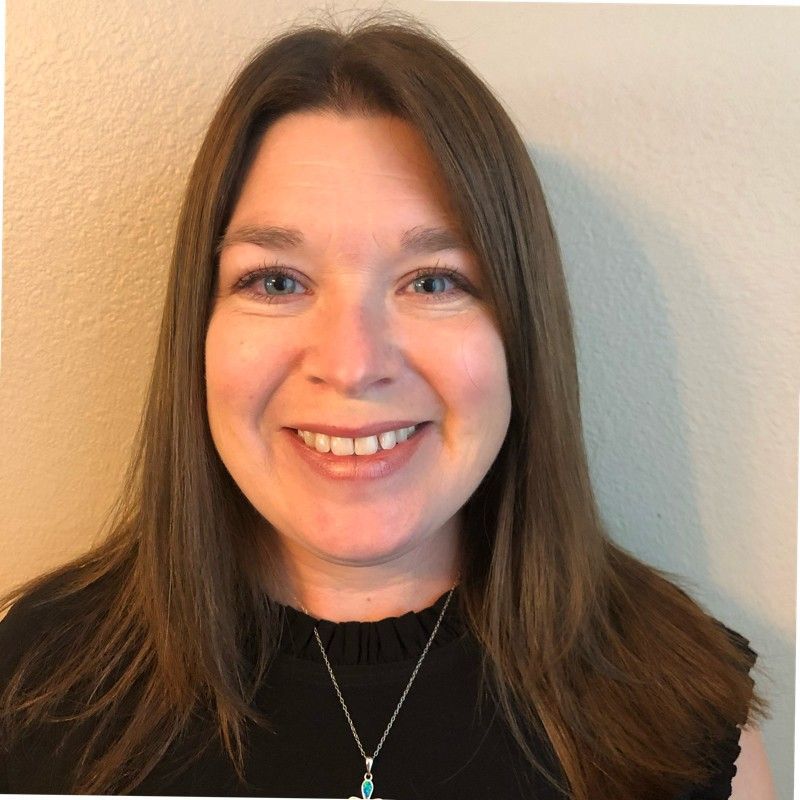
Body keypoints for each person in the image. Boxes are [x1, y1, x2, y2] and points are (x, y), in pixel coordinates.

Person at [0, 9, 775, 800]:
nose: (352, 363)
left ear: (520, 334)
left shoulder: (682, 712)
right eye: (276, 281)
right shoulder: (30, 692)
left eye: (434, 281)